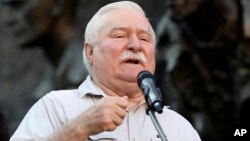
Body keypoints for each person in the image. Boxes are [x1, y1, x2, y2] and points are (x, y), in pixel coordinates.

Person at [10, 1, 201, 141]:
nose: (136, 45)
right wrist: (78, 129)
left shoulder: (178, 127)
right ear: (90, 52)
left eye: (144, 39)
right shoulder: (56, 107)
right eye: (119, 35)